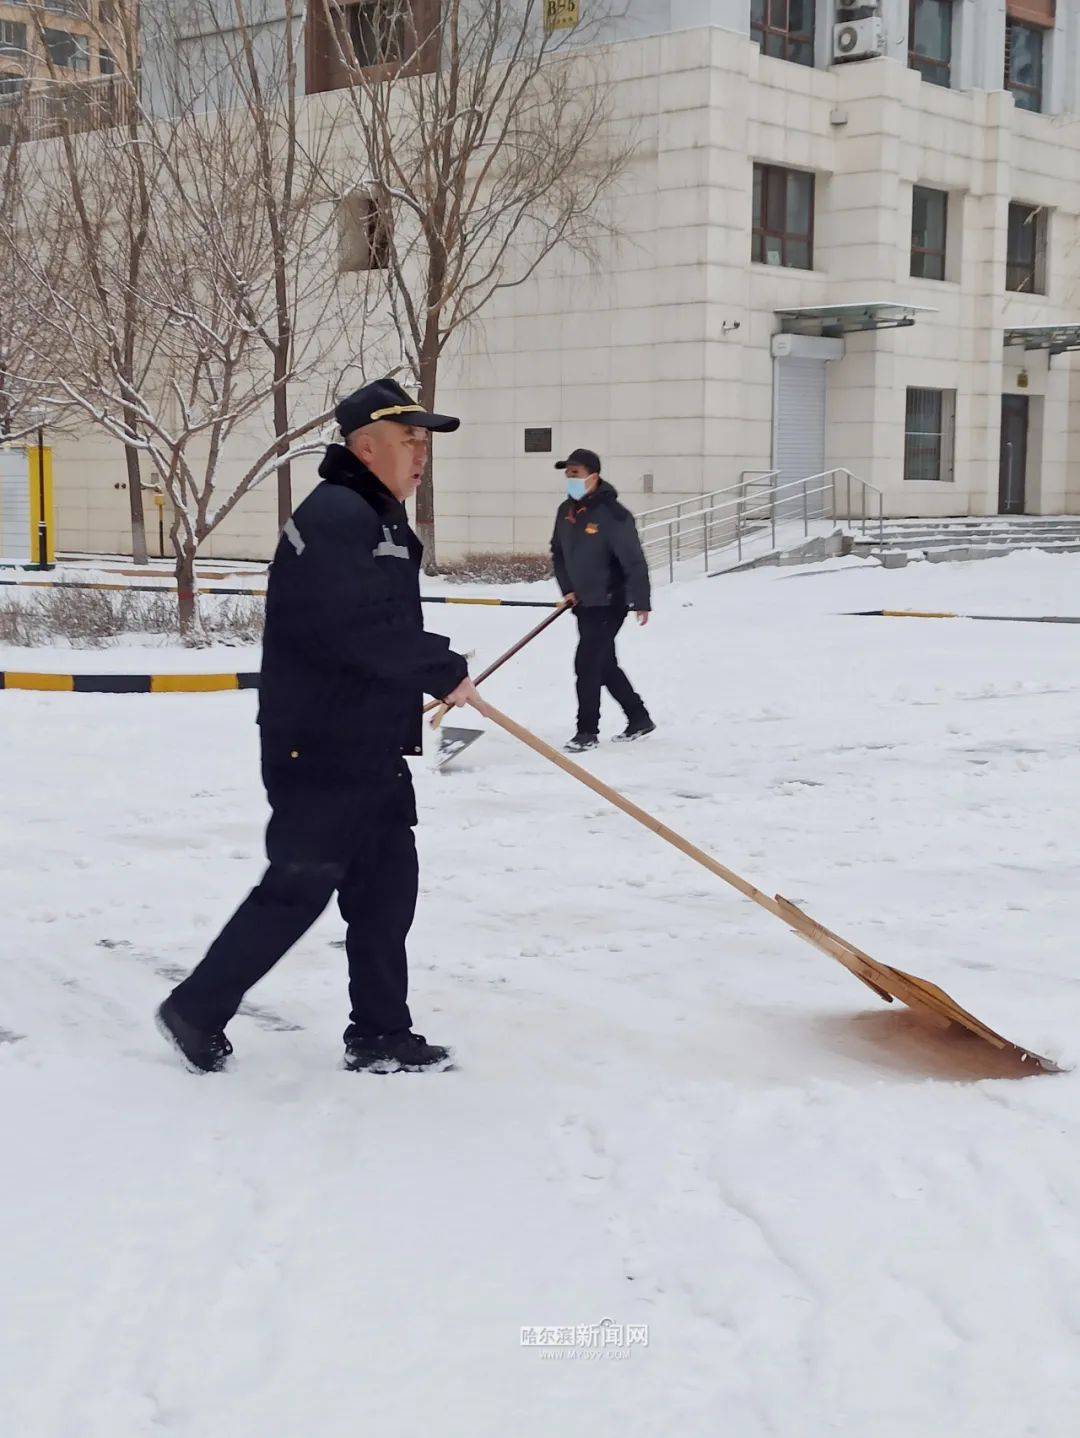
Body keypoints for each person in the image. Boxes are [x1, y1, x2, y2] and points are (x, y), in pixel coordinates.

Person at [157, 377, 479, 1074]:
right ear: (366, 447)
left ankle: (380, 1032)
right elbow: (357, 625)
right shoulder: (338, 515)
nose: (420, 455)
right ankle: (196, 1007)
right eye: (408, 441)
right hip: (322, 746)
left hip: (366, 742)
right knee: (300, 884)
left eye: (424, 442)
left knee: (387, 890)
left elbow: (376, 627)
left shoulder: (377, 513)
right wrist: (439, 666)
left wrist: (421, 674)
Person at [550, 447, 654, 753]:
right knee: (604, 663)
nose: (570, 478)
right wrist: (567, 587)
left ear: (593, 477)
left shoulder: (614, 515)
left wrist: (641, 601)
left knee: (587, 662)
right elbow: (557, 552)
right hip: (583, 602)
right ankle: (639, 718)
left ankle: (587, 731)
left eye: (576, 473)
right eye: (567, 473)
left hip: (611, 601)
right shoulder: (565, 512)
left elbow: (634, 561)